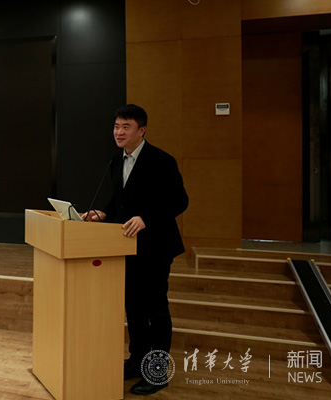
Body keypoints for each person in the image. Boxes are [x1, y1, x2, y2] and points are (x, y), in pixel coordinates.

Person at [83, 104, 188, 395]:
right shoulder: (116, 161)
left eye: (125, 127)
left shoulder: (161, 160)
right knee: (134, 308)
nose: (118, 132)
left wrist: (147, 218)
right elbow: (121, 200)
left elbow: (179, 201)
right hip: (126, 246)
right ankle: (137, 361)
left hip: (156, 247)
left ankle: (158, 372)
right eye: (116, 126)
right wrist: (103, 213)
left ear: (141, 130)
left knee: (156, 308)